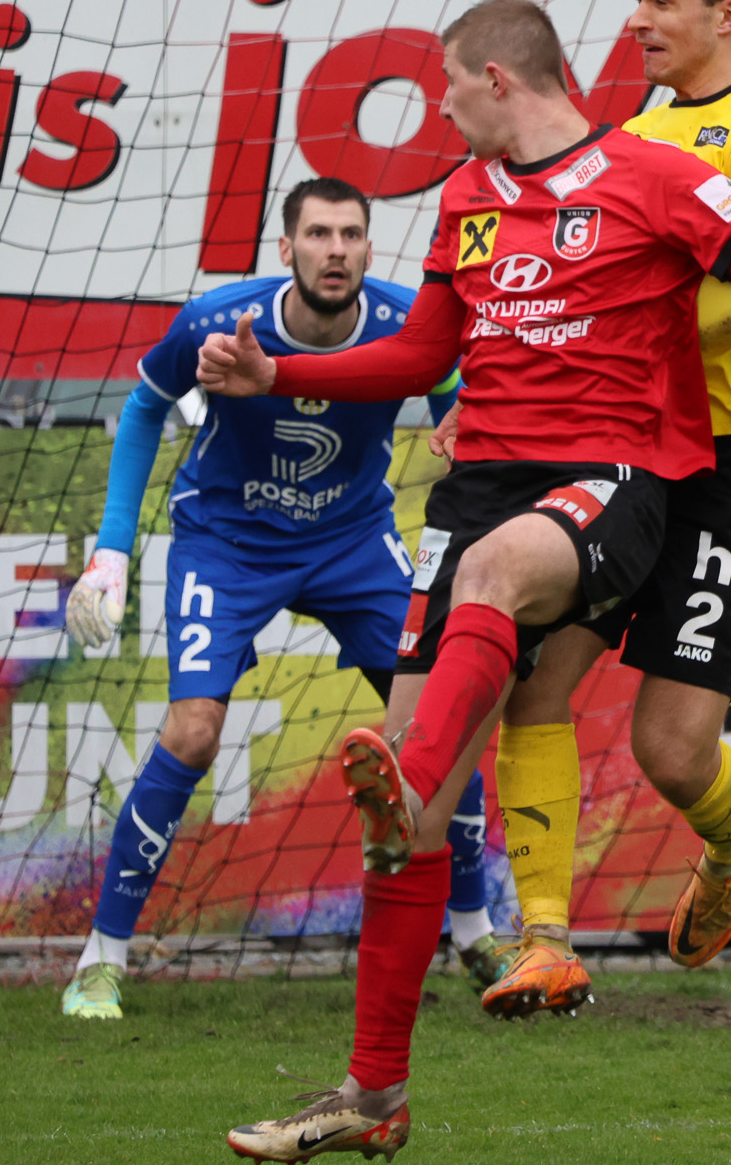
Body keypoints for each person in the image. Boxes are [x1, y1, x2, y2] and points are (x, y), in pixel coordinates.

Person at [197, 0, 731, 1165]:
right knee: (411, 831)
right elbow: (425, 353)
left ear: (500, 80)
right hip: (476, 490)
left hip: (614, 481)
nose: (441, 107)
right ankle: (372, 1094)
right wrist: (283, 378)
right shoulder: (467, 198)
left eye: (447, 87)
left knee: (496, 588)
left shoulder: (651, 173)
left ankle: (417, 788)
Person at [446, 0, 731, 1018]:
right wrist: (509, 374)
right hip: (613, 447)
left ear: (729, 13)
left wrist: (557, 344)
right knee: (535, 678)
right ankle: (544, 940)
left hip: (726, 462)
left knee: (671, 751)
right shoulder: (633, 131)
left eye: (661, 0)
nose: (635, 19)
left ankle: (730, 837)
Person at [58, 177, 498, 1021]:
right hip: (227, 541)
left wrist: (461, 434)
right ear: (287, 249)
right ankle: (100, 958)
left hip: (353, 541)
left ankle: (476, 932)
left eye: (352, 235)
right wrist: (113, 546)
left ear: (370, 250)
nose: (337, 249)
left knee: (448, 714)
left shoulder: (412, 322)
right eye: (320, 234)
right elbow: (146, 404)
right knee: (192, 731)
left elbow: (458, 412)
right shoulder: (217, 322)